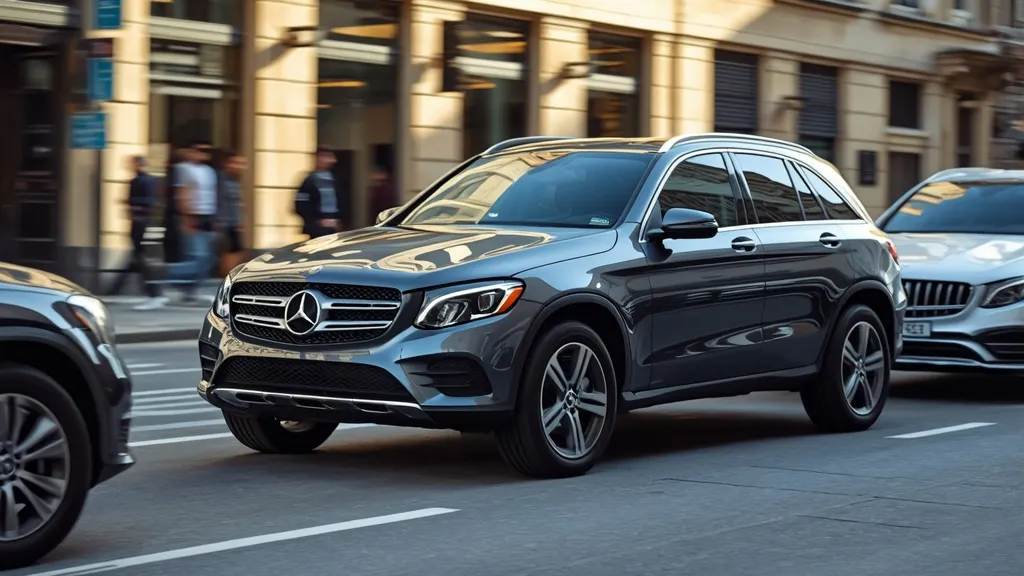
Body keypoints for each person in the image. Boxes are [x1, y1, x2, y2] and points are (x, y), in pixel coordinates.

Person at [135, 141, 219, 309]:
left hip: (208, 215)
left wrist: (215, 218)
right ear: (189, 151)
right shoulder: (183, 168)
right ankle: (162, 274)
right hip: (192, 216)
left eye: (206, 151)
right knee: (197, 257)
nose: (202, 153)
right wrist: (186, 217)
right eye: (199, 150)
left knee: (206, 259)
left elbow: (212, 194)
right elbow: (183, 193)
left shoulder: (209, 171)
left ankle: (190, 292)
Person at [107, 155, 165, 304]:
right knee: (137, 256)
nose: (130, 166)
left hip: (141, 222)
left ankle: (151, 290)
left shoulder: (145, 181)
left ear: (139, 165)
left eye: (132, 164)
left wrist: (134, 209)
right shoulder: (139, 181)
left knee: (139, 257)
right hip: (139, 222)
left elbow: (148, 202)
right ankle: (147, 289)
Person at [295, 145, 342, 238]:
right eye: (326, 157)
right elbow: (300, 204)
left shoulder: (334, 179)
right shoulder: (310, 180)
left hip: (333, 226)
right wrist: (316, 221)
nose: (331, 160)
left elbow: (341, 201)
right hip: (317, 227)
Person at [218, 151, 247, 273]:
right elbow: (220, 201)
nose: (240, 166)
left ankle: (230, 273)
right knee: (230, 252)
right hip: (226, 223)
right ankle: (227, 275)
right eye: (236, 163)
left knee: (238, 251)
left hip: (235, 223)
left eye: (241, 164)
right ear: (227, 164)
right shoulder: (221, 180)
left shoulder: (235, 181)